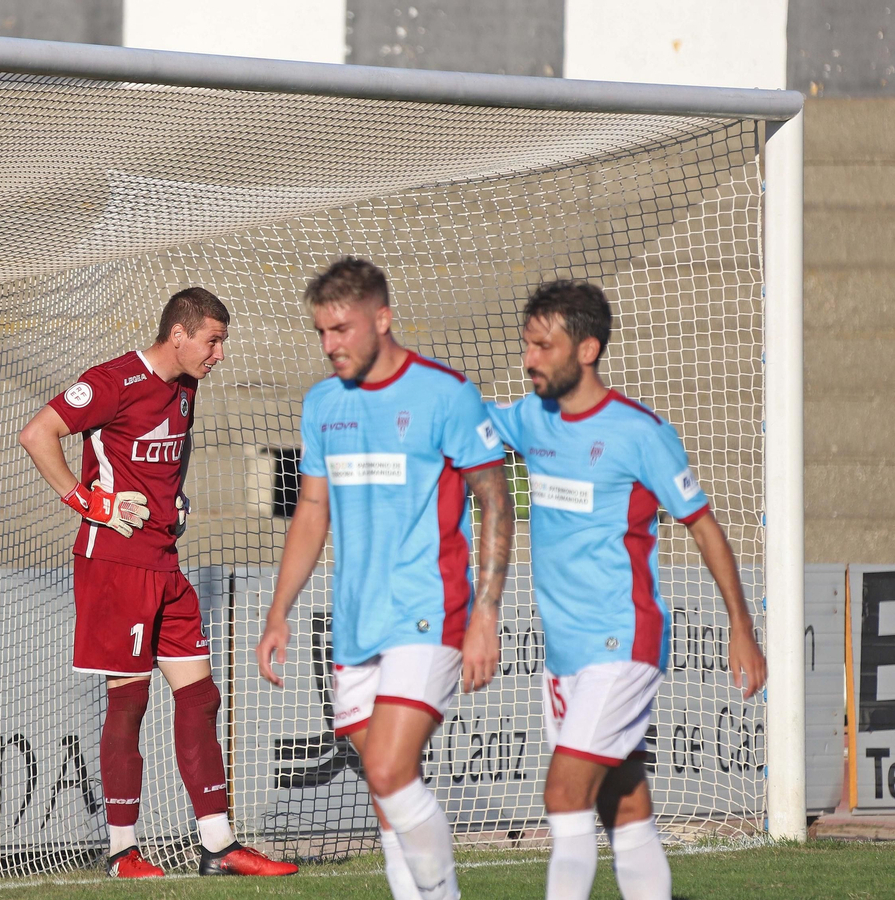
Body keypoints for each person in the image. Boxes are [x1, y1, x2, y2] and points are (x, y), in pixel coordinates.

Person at [485, 280, 766, 900]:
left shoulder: (640, 432)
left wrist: (741, 627)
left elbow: (704, 527)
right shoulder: (531, 416)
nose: (529, 358)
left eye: (542, 345)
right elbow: (463, 420)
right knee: (625, 802)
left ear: (586, 349)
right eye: (526, 345)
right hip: (564, 653)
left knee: (563, 793)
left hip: (624, 640)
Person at [256, 257, 514, 900]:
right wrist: (278, 610)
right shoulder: (322, 403)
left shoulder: (444, 393)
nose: (331, 344)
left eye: (341, 329)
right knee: (384, 788)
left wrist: (486, 612)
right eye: (321, 332)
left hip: (431, 608)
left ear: (383, 318)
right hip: (355, 621)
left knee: (389, 769)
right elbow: (312, 512)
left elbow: (496, 498)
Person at [18, 287, 297, 879]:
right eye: (213, 340)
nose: (219, 353)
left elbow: (172, 447)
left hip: (165, 562)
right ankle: (122, 853)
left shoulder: (187, 387)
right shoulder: (113, 381)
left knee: (200, 697)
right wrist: (89, 501)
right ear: (180, 334)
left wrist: (176, 495)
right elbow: (37, 434)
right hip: (115, 565)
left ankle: (218, 847)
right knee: (130, 699)